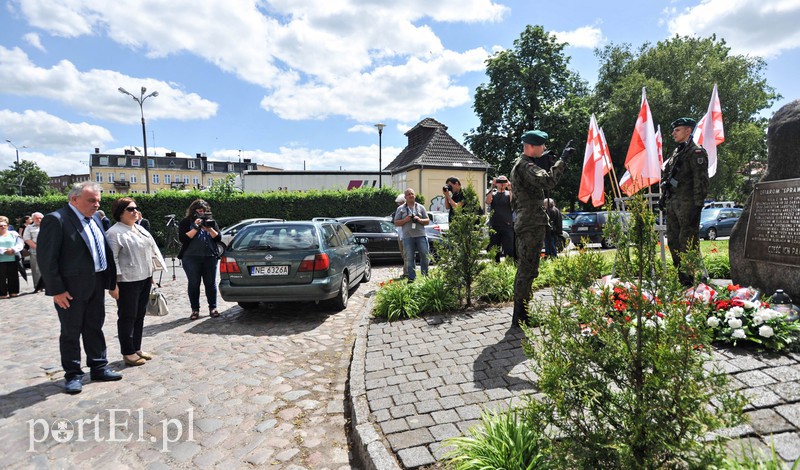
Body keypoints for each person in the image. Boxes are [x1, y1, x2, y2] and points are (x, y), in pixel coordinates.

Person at [37, 182, 120, 394]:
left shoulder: (96, 219)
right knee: (71, 331)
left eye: (98, 200)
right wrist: (56, 290)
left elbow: (102, 250)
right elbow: (47, 259)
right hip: (70, 289)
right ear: (74, 199)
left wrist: (110, 280)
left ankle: (99, 366)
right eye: (91, 200)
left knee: (95, 326)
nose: (96, 204)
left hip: (96, 282)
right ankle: (73, 374)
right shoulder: (56, 220)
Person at [510, 130, 573, 327]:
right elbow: (548, 181)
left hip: (528, 222)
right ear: (531, 146)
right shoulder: (525, 166)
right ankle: (521, 318)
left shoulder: (522, 165)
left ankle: (522, 316)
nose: (544, 148)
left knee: (527, 270)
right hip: (530, 224)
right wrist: (562, 160)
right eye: (542, 145)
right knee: (527, 271)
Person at [106, 198, 167, 367]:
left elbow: (148, 253)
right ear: (120, 212)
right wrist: (114, 284)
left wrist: (151, 274)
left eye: (136, 208)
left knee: (139, 315)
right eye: (130, 209)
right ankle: (128, 352)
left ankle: (136, 347)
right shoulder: (114, 232)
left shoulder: (139, 229)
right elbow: (113, 260)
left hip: (144, 278)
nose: (134, 211)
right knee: (127, 316)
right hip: (127, 281)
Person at [661, 117, 709, 286]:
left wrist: (698, 204)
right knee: (673, 241)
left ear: (688, 131)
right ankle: (682, 277)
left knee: (687, 242)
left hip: (688, 205)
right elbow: (668, 176)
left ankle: (691, 279)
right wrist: (663, 198)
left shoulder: (696, 152)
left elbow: (701, 180)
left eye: (677, 130)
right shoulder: (677, 152)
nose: (673, 133)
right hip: (673, 204)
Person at [177, 199, 222, 320]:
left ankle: (213, 307)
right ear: (193, 211)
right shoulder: (186, 222)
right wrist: (196, 227)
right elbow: (183, 239)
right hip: (191, 257)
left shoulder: (211, 222)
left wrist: (209, 229)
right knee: (193, 283)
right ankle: (195, 310)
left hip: (209, 257)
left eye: (204, 211)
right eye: (199, 211)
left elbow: (218, 238)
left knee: (210, 283)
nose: (201, 213)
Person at [394, 188, 430, 281]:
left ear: (415, 195)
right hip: (408, 236)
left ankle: (425, 277)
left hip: (421, 235)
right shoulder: (401, 208)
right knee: (409, 258)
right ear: (405, 197)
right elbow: (396, 222)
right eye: (408, 194)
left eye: (412, 194)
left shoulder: (421, 207)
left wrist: (420, 220)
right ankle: (411, 278)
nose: (411, 196)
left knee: (425, 256)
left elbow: (427, 221)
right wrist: (405, 220)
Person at [486, 175, 515, 262]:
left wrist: (510, 188)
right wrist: (492, 186)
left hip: (507, 225)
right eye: (500, 181)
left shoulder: (509, 193)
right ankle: (495, 266)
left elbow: (513, 202)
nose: (502, 184)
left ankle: (509, 265)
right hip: (494, 225)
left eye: (504, 181)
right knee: (495, 250)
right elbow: (488, 201)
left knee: (509, 248)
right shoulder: (493, 193)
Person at [0, 216, 25, 298]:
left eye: (4, 225)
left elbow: (20, 244)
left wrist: (13, 250)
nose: (3, 227)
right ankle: (2, 293)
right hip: (1, 259)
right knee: (1, 277)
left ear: (7, 226)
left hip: (13, 258)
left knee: (13, 276)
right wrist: (4, 250)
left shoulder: (13, 233)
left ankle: (13, 291)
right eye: (0, 226)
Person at [22, 212, 44, 292]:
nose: (39, 219)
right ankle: (38, 287)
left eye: (40, 218)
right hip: (35, 251)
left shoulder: (48, 226)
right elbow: (27, 239)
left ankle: (49, 286)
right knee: (36, 270)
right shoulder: (29, 228)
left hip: (49, 251)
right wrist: (38, 248)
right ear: (33, 219)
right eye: (37, 218)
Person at [394, 193, 407, 267]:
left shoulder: (405, 210)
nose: (399, 204)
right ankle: (406, 272)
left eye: (400, 203)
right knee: (403, 254)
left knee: (406, 255)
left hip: (404, 235)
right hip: (400, 235)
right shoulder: (399, 209)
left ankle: (406, 272)